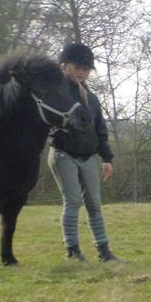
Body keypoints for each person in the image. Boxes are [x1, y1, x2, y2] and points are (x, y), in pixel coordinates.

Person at [48, 41, 119, 262]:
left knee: (95, 205)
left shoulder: (93, 99)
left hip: (88, 155)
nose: (81, 72)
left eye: (85, 69)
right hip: (63, 153)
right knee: (73, 202)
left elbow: (100, 130)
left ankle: (104, 251)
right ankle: (73, 251)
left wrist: (106, 158)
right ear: (64, 65)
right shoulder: (56, 93)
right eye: (77, 67)